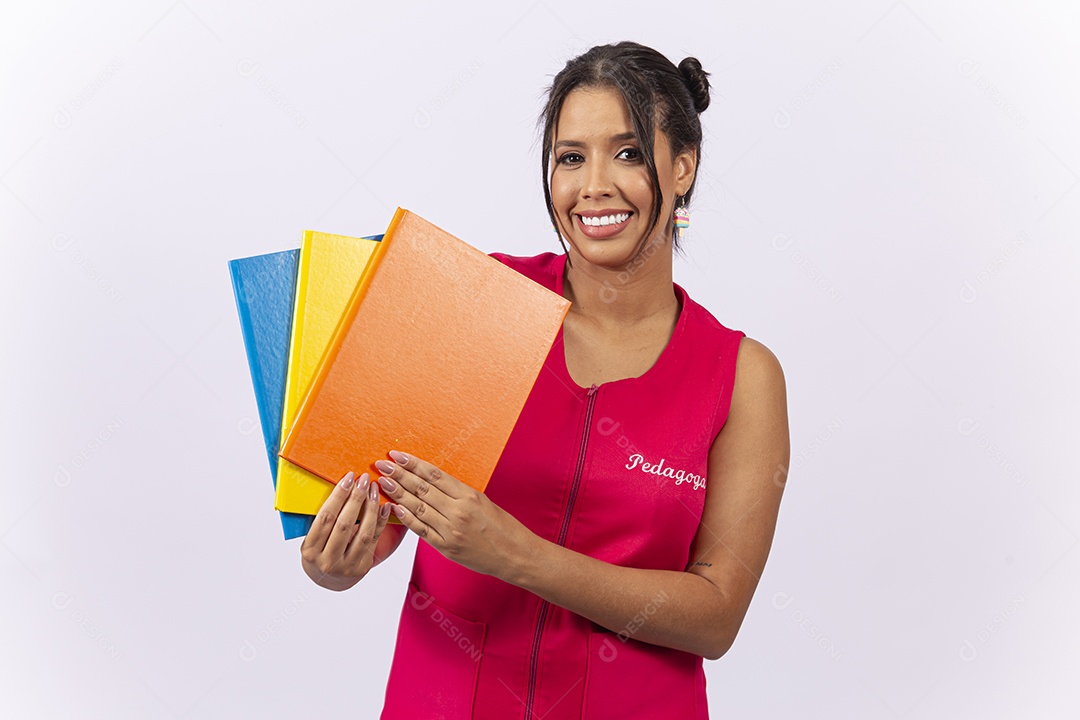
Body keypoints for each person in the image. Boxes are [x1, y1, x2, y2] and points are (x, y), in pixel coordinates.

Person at [299, 41, 789, 719]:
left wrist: (517, 556)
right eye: (570, 157)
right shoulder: (478, 301)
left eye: (626, 153)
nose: (593, 186)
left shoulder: (740, 376)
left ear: (682, 166)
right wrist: (339, 559)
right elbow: (387, 505)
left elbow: (716, 615)